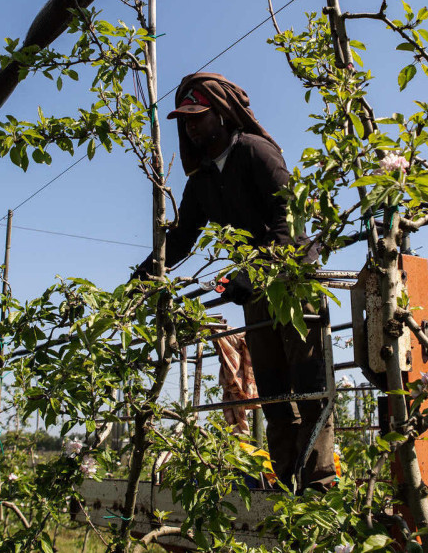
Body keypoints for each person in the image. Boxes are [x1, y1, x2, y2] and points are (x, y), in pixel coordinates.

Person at [133, 72, 336, 492]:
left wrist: (251, 272)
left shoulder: (255, 151)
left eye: (198, 116)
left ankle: (319, 485)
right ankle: (285, 484)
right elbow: (182, 237)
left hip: (294, 282)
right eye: (185, 120)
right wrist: (145, 273)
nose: (191, 126)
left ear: (223, 114)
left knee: (310, 386)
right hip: (255, 290)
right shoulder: (202, 180)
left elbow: (289, 221)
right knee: (273, 392)